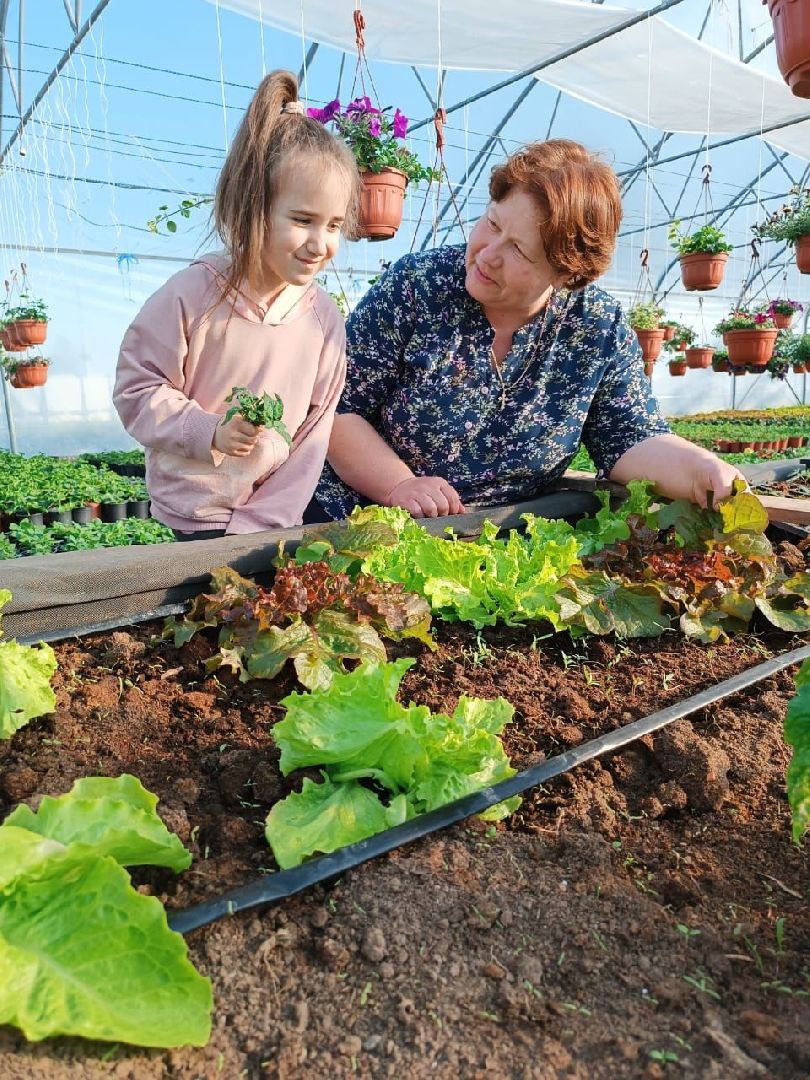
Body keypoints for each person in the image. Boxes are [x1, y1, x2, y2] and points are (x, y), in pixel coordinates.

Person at [314, 139, 744, 522]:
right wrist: (398, 486)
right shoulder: (418, 285)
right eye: (493, 223)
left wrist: (701, 469)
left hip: (502, 539)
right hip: (361, 525)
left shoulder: (596, 328)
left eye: (519, 249)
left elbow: (630, 438)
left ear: (566, 273)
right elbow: (337, 408)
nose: (488, 254)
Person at [114, 70, 360, 539]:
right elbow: (137, 388)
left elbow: (312, 434)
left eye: (332, 225)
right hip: (194, 517)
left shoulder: (323, 320)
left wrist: (264, 520)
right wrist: (208, 430)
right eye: (302, 219)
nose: (319, 243)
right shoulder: (192, 295)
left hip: (272, 520)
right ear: (253, 207)